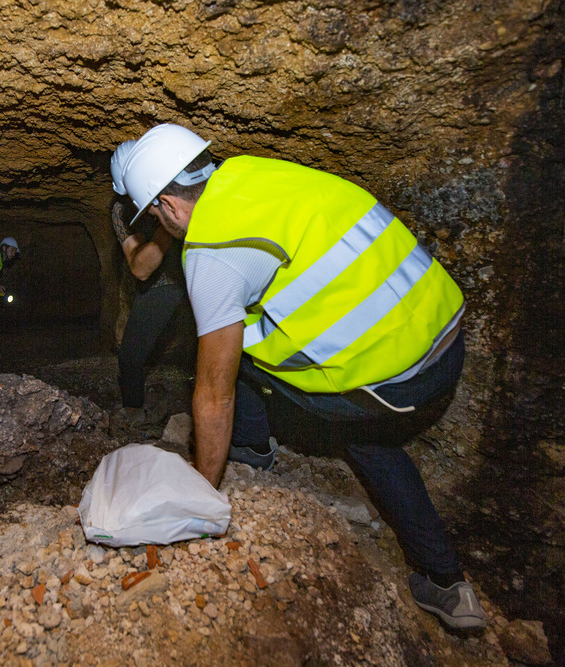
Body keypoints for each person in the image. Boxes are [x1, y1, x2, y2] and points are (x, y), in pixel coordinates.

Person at [116, 123, 487, 631]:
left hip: (400, 381)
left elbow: (213, 395)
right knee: (245, 333)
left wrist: (200, 495)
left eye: (156, 213)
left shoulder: (210, 256)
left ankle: (443, 578)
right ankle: (447, 580)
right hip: (444, 323)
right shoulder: (253, 171)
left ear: (169, 206)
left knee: (362, 435)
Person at [110, 141, 191, 421]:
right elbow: (141, 268)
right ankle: (134, 412)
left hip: (199, 270)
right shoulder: (121, 211)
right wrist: (169, 225)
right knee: (130, 356)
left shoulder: (183, 187)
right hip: (164, 284)